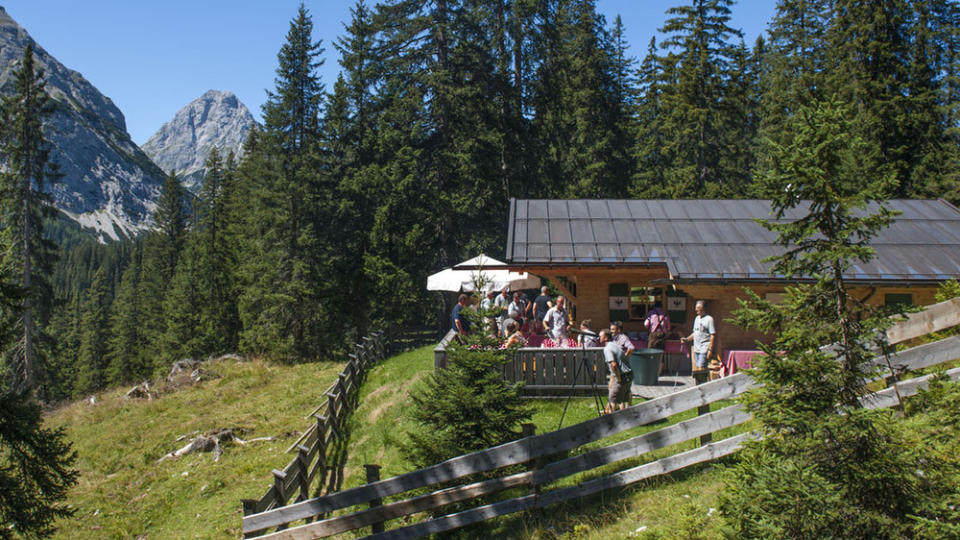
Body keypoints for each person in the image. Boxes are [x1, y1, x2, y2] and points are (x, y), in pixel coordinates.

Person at [600, 329, 633, 413]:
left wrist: (618, 378)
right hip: (629, 375)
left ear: (606, 338)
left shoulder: (607, 349)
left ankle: (612, 422)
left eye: (601, 336)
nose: (599, 337)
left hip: (622, 376)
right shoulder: (615, 345)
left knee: (612, 399)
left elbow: (613, 365)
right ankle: (626, 418)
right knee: (623, 398)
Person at [682, 300, 716, 371]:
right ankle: (699, 382)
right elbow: (695, 332)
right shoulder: (697, 318)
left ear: (703, 309)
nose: (696, 310)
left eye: (698, 308)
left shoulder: (709, 319)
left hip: (704, 348)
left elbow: (712, 335)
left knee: (701, 369)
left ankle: (703, 382)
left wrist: (710, 350)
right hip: (696, 348)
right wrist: (687, 339)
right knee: (697, 369)